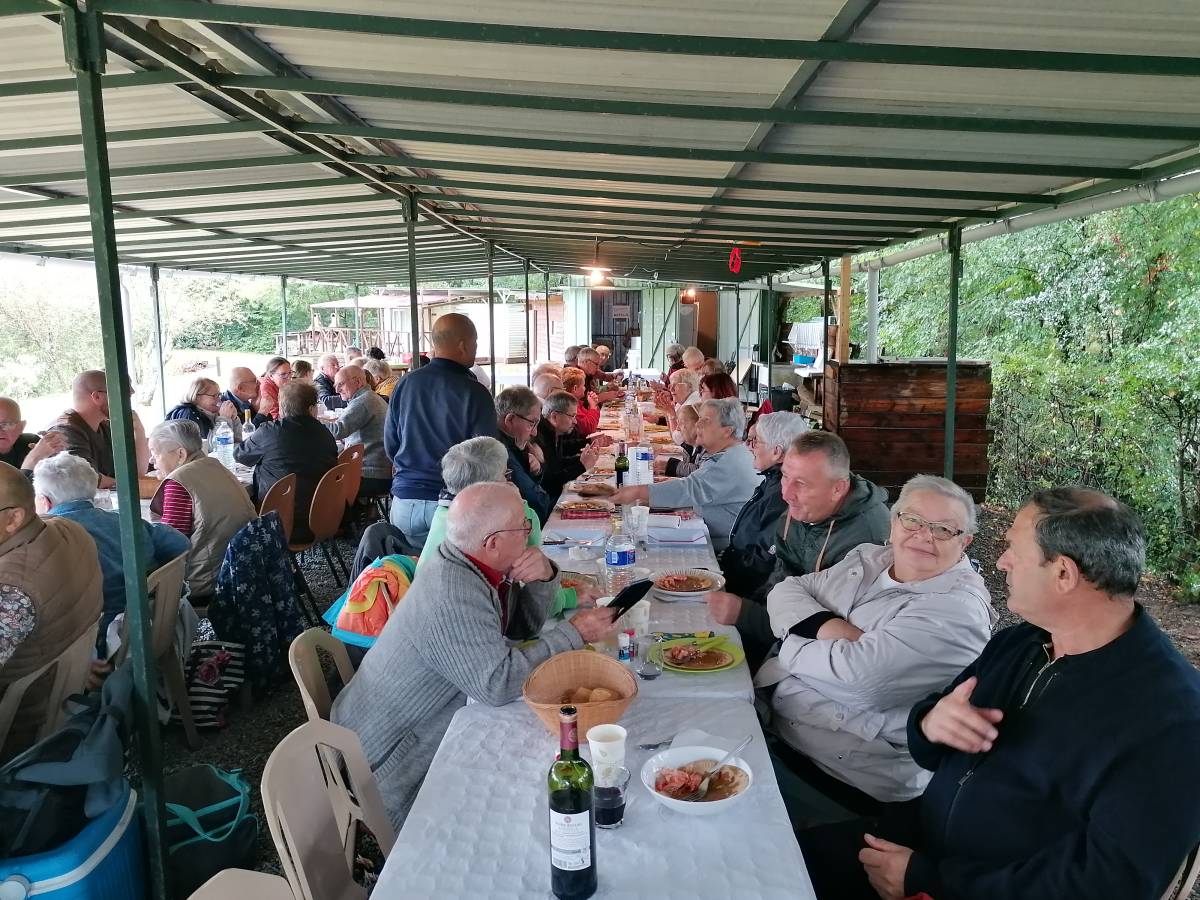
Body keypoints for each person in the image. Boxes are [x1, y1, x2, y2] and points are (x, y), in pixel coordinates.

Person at [800, 487, 1200, 900]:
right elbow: (928, 748)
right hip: (920, 844)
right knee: (771, 860)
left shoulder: (1171, 719)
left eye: (1014, 551)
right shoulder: (1022, 644)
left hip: (965, 885)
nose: (1001, 561)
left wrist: (928, 880)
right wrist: (931, 723)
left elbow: (1110, 883)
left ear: (1063, 574)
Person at [332, 482, 619, 829]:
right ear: (492, 543)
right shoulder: (453, 591)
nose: (529, 534)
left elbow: (521, 629)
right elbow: (497, 684)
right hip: (388, 766)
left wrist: (543, 578)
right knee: (521, 801)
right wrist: (575, 633)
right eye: (523, 526)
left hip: (406, 729)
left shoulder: (468, 563)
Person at [758, 475, 995, 818]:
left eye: (943, 529)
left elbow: (863, 683)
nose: (924, 535)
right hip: (777, 725)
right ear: (893, 521)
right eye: (912, 520)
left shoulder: (959, 610)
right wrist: (830, 628)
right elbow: (786, 590)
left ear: (965, 542)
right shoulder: (870, 558)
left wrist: (791, 640)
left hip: (840, 779)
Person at [706, 431, 891, 670]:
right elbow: (779, 578)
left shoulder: (864, 543)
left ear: (838, 488)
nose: (786, 494)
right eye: (785, 477)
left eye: (801, 483)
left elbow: (827, 631)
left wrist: (746, 615)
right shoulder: (803, 510)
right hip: (777, 635)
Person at [415, 437, 598, 616]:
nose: (510, 480)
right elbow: (540, 595)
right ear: (489, 488)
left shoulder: (444, 512)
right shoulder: (499, 526)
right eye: (505, 474)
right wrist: (569, 598)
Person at [33, 452, 189, 651]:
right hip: (148, 624)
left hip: (97, 641)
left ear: (44, 501)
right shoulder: (126, 520)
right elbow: (181, 544)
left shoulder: (46, 540)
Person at [0, 462, 102, 762]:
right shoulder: (69, 529)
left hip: (22, 720)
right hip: (64, 696)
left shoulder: (12, 592)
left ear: (14, 518)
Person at [385, 313, 497, 549]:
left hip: (404, 501)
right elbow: (487, 457)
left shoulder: (405, 383)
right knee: (451, 572)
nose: (476, 349)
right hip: (452, 505)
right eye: (475, 343)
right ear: (463, 345)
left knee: (407, 570)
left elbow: (391, 444)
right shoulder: (475, 393)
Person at [611, 399, 759, 552]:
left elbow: (689, 489)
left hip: (726, 549)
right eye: (699, 418)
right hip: (714, 535)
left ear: (727, 431)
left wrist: (637, 491)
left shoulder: (728, 462)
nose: (698, 424)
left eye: (706, 421)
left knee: (633, 544)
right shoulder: (733, 454)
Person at [147, 420, 256, 602]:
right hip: (241, 569)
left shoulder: (179, 482)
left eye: (155, 453)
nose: (151, 461)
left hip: (207, 581)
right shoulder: (215, 465)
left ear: (181, 454)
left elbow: (170, 547)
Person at [718, 412, 810, 597]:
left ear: (776, 452)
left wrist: (720, 572)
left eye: (756, 441)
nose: (748, 446)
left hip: (746, 593)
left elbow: (763, 561)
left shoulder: (783, 494)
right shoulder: (772, 481)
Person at [235, 381, 338, 543]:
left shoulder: (269, 431)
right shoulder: (325, 433)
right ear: (312, 409)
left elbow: (240, 455)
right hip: (324, 516)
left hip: (279, 524)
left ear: (282, 408)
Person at [46, 370, 149, 489]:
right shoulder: (66, 430)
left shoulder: (105, 425)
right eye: (121, 394)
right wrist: (122, 483)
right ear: (97, 397)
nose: (130, 395)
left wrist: (138, 430)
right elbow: (86, 478)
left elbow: (138, 472)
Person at [325, 365, 391, 499]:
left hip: (370, 474)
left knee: (324, 486)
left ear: (358, 382)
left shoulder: (362, 402)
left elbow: (338, 431)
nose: (337, 390)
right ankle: (361, 509)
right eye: (336, 385)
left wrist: (312, 423)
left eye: (341, 384)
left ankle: (355, 511)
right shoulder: (369, 397)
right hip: (380, 470)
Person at [496, 387, 552, 524]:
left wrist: (537, 471)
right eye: (532, 424)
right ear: (510, 420)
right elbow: (538, 502)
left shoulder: (517, 443)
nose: (534, 433)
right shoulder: (500, 452)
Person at [537, 391, 600, 501]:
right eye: (572, 416)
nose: (575, 421)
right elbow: (550, 482)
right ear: (554, 417)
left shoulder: (555, 432)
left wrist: (584, 457)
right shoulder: (540, 438)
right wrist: (581, 466)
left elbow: (559, 462)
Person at [0, 398, 65, 475]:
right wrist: (32, 460)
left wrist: (56, 456)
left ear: (22, 426)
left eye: (6, 424)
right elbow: (13, 483)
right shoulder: (34, 453)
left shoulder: (30, 442)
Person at [164, 376, 239, 439]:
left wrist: (234, 419)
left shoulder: (213, 413)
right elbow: (209, 446)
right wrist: (224, 420)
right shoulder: (187, 415)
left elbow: (238, 442)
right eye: (214, 396)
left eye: (219, 395)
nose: (219, 400)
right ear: (197, 397)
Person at [561, 367, 600, 437]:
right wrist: (593, 406)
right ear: (575, 388)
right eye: (583, 385)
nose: (585, 388)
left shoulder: (577, 402)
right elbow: (588, 428)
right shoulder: (570, 405)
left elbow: (592, 419)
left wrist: (592, 405)